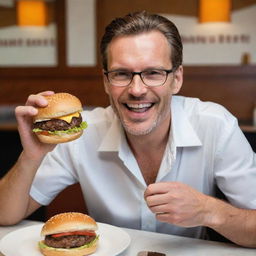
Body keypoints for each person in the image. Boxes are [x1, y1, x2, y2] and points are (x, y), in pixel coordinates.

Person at [0, 11, 256, 247]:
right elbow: (5, 215)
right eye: (121, 74)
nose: (136, 90)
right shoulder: (81, 135)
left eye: (153, 72)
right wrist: (30, 157)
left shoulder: (216, 125)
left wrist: (208, 211)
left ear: (176, 80)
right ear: (105, 81)